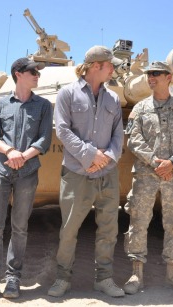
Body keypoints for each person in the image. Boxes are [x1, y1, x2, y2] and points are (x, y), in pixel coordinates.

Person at [48, 46, 125, 298]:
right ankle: (63, 278)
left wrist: (107, 158)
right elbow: (63, 130)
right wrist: (91, 156)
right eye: (109, 65)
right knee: (70, 228)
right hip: (77, 172)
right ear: (95, 66)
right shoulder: (67, 94)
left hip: (107, 173)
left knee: (108, 229)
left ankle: (104, 279)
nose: (113, 69)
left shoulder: (113, 99)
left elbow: (118, 135)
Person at [0, 57, 53, 302]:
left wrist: (23, 155)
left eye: (38, 73)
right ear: (18, 74)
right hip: (1, 169)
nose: (37, 76)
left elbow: (44, 140)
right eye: (33, 72)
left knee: (20, 227)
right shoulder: (0, 104)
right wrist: (10, 152)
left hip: (27, 172)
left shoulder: (43, 106)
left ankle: (13, 278)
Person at [123, 61, 173, 295]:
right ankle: (136, 274)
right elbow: (133, 139)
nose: (151, 77)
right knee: (139, 221)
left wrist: (172, 162)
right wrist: (155, 162)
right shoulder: (141, 108)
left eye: (156, 74)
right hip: (146, 173)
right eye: (148, 74)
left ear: (169, 77)